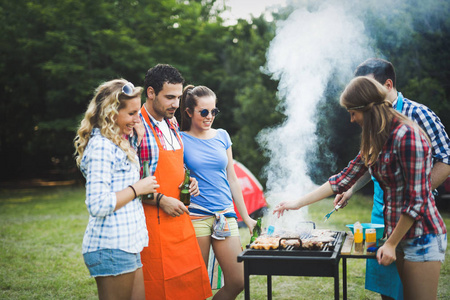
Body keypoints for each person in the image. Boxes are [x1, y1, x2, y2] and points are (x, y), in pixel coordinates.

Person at [274, 76, 447, 300]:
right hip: (399, 234)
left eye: (352, 112)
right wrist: (296, 203)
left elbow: (418, 200)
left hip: (422, 235)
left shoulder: (407, 136)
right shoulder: (377, 137)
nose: (351, 119)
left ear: (367, 109)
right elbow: (343, 178)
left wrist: (391, 243)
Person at [334, 58, 450, 300]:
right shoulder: (373, 120)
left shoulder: (418, 115)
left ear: (387, 85)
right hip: (383, 210)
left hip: (415, 215)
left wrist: (417, 193)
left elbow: (446, 159)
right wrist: (351, 189)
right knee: (387, 288)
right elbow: (370, 162)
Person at [74, 79, 159, 300]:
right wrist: (137, 188)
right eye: (131, 113)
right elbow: (98, 204)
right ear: (112, 113)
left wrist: (135, 137)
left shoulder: (118, 142)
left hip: (127, 244)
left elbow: (119, 176)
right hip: (111, 246)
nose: (137, 119)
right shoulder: (101, 147)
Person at [133, 64, 212, 299]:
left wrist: (190, 178)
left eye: (178, 97)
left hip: (180, 222)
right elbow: (128, 179)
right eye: (169, 97)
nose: (176, 104)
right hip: (151, 224)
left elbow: (178, 164)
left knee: (187, 290)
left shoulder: (173, 123)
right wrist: (160, 200)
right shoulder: (136, 126)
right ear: (150, 93)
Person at [179, 85, 257, 299]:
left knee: (239, 280)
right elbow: (177, 177)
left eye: (214, 111)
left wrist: (247, 217)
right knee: (196, 286)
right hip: (197, 216)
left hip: (225, 215)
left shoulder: (222, 135)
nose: (209, 116)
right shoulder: (180, 139)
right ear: (188, 112)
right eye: (204, 112)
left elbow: (232, 178)